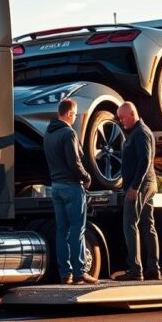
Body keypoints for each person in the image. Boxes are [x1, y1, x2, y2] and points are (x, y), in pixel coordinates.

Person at [43, 98, 98, 285]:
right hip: (71, 187)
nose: (75, 118)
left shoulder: (48, 134)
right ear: (68, 113)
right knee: (77, 230)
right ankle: (80, 273)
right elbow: (74, 162)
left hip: (56, 187)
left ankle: (65, 274)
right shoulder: (68, 133)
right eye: (74, 114)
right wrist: (87, 177)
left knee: (62, 231)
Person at [115, 101, 160, 281]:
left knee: (130, 224)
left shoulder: (140, 132)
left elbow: (145, 161)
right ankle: (153, 269)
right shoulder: (138, 132)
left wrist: (134, 187)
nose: (120, 121)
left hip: (141, 186)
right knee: (147, 225)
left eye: (122, 118)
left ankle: (135, 270)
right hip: (147, 183)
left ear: (132, 114)